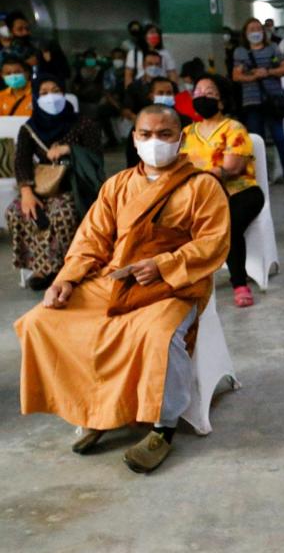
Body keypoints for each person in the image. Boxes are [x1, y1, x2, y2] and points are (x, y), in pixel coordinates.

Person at [16, 105, 230, 474]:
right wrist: (66, 279)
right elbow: (91, 239)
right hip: (115, 278)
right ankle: (95, 409)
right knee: (42, 320)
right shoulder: (117, 185)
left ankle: (162, 427)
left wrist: (162, 264)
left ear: (180, 139)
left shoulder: (202, 185)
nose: (155, 142)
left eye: (165, 135)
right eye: (146, 134)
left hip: (172, 283)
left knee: (157, 335)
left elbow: (213, 242)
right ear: (134, 139)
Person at [6, 74, 103, 291]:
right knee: (17, 211)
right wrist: (26, 193)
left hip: (75, 185)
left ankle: (66, 269)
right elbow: (21, 160)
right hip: (42, 186)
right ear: (36, 97)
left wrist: (70, 150)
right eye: (44, 92)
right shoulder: (30, 128)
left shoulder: (84, 123)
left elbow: (97, 156)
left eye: (56, 90)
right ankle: (41, 267)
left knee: (63, 212)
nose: (51, 97)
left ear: (65, 92)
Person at [179, 74, 263, 307]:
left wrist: (199, 176)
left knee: (228, 224)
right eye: (198, 92)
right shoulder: (186, 133)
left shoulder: (233, 128)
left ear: (221, 101)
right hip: (201, 195)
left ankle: (239, 283)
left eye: (210, 93)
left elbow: (232, 167)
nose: (202, 97)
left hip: (240, 191)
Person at [232, 17, 284, 186]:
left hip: (273, 100)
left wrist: (267, 72)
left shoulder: (273, 48)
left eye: (258, 29)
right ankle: (259, 176)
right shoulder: (240, 52)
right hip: (252, 102)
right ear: (245, 34)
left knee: (279, 137)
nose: (255, 32)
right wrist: (254, 76)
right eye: (251, 29)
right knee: (256, 140)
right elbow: (236, 75)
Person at [124, 76, 193, 168]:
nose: (165, 96)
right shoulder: (141, 123)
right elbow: (132, 159)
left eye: (169, 93)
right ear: (151, 95)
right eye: (160, 93)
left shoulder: (185, 121)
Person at [124, 23, 177, 87]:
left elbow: (172, 73)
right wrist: (129, 92)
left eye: (157, 33)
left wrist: (174, 89)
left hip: (161, 86)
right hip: (141, 87)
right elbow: (128, 75)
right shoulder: (134, 53)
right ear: (144, 35)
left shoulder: (165, 53)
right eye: (152, 32)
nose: (155, 35)